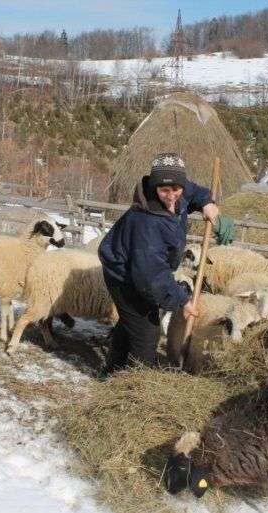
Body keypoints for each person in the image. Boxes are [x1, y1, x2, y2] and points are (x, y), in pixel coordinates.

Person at [98, 153, 219, 375]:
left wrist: (207, 203)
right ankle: (133, 385)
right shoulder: (147, 222)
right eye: (164, 190)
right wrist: (182, 301)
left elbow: (194, 191)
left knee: (131, 321)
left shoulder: (178, 192)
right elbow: (151, 277)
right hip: (124, 274)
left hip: (144, 267)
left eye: (176, 189)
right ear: (154, 188)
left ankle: (112, 370)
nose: (171, 196)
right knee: (146, 332)